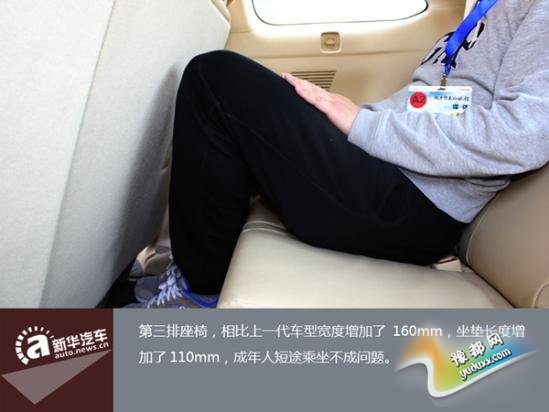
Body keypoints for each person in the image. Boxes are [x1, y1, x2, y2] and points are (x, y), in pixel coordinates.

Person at [127, 0, 548, 308]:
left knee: (215, 79)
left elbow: (523, 134)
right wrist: (353, 118)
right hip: (395, 173)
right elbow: (436, 104)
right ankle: (191, 268)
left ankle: (198, 293)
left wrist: (364, 125)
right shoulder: (482, 14)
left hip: (415, 201)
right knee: (257, 106)